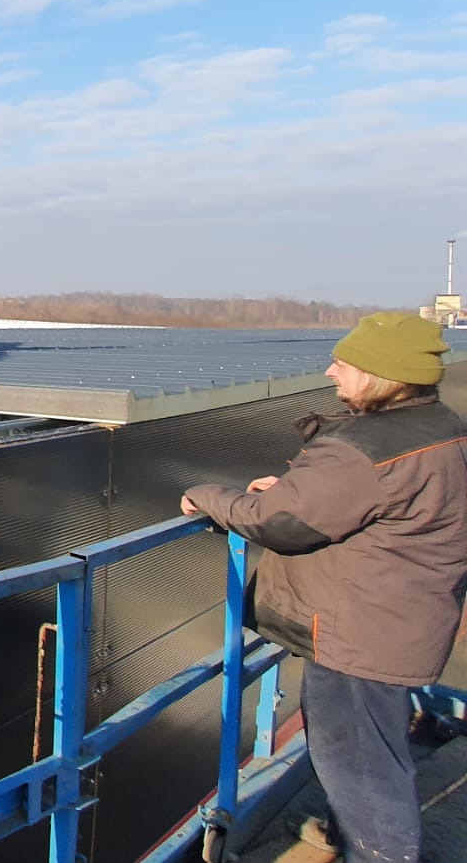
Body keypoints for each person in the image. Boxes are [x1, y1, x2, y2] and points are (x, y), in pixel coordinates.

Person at [181, 313, 465, 863]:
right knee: (370, 756)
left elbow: (277, 523)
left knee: (361, 769)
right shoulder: (440, 425)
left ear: (381, 376)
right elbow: (360, 505)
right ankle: (346, 835)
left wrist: (207, 493)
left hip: (359, 634)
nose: (332, 371)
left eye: (346, 363)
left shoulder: (367, 446)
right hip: (398, 620)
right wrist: (295, 489)